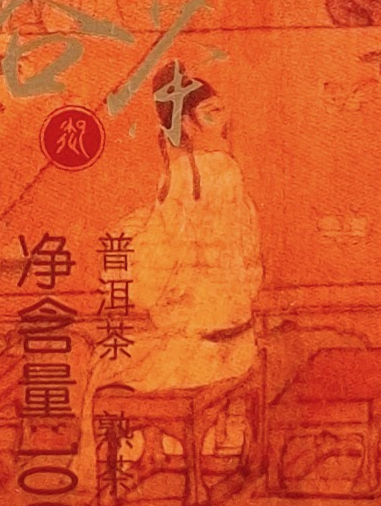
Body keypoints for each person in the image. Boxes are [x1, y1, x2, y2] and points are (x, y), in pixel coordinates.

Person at [98, 72, 263, 393]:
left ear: (185, 124)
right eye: (212, 113)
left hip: (198, 357)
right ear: (186, 124)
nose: (223, 121)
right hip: (240, 346)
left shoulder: (184, 175)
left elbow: (146, 288)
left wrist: (126, 240)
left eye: (219, 110)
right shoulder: (230, 171)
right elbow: (250, 273)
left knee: (96, 374)